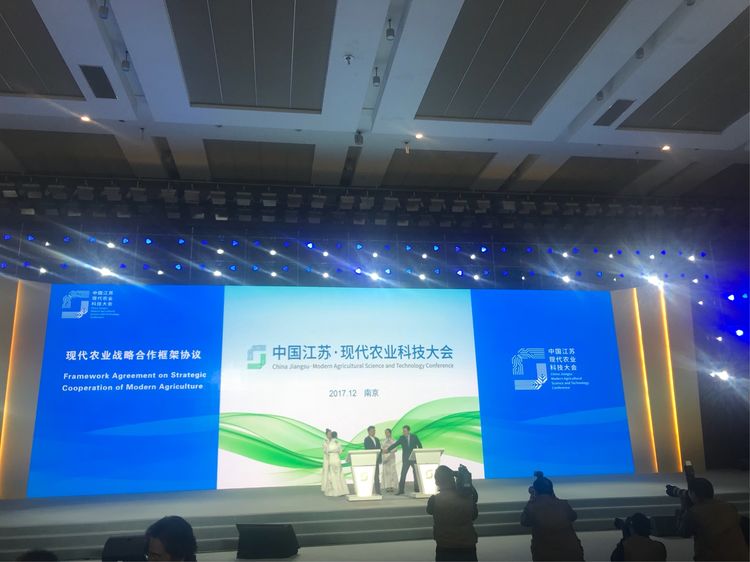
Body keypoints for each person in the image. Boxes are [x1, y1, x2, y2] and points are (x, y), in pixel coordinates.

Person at [677, 477, 749, 561]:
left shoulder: (693, 512)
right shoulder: (729, 506)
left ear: (693, 493)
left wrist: (683, 508)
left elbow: (683, 533)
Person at [520, 474, 584, 561]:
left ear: (536, 491)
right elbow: (573, 516)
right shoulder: (563, 504)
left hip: (545, 555)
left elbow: (524, 522)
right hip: (573, 554)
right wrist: (553, 497)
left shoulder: (532, 507)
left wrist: (532, 499)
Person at [426, 465, 479, 562]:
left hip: (444, 545)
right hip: (467, 544)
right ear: (452, 479)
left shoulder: (434, 500)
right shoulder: (468, 498)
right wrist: (467, 483)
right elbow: (474, 516)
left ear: (437, 481)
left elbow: (429, 511)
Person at [387, 425, 423, 495]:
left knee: (416, 474)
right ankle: (401, 490)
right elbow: (395, 444)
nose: (404, 432)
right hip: (406, 459)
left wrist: (419, 454)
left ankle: (417, 489)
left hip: (414, 458)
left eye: (405, 431)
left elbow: (419, 445)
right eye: (403, 431)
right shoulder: (402, 437)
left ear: (408, 431)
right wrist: (388, 449)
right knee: (403, 474)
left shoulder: (414, 436)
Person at [322, 430, 349, 497]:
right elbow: (326, 451)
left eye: (330, 434)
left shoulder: (336, 442)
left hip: (336, 459)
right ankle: (335, 490)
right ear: (326, 435)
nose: (330, 435)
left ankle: (341, 490)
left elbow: (340, 451)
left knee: (338, 474)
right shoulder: (326, 442)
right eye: (328, 434)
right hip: (331, 459)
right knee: (332, 474)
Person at [363, 425, 382, 494]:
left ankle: (378, 491)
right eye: (372, 431)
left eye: (374, 431)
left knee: (376, 476)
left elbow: (379, 449)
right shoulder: (366, 439)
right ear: (368, 432)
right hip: (370, 460)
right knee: (370, 476)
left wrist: (380, 459)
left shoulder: (377, 439)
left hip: (376, 460)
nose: (373, 432)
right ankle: (368, 491)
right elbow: (367, 449)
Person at [381, 428, 398, 493]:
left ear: (390, 433)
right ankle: (387, 486)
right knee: (386, 472)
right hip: (385, 457)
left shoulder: (394, 440)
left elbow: (395, 449)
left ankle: (392, 486)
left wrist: (389, 451)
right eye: (385, 433)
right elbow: (381, 448)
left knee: (392, 471)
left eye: (387, 432)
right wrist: (384, 451)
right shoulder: (383, 441)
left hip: (391, 457)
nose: (386, 434)